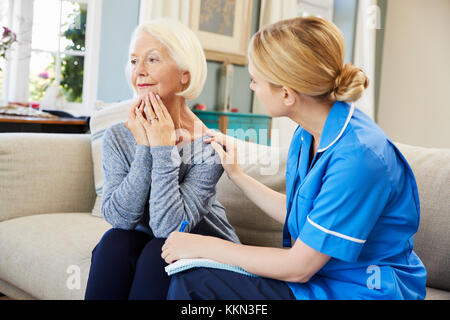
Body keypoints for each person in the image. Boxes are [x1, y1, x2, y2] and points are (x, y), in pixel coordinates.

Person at [162, 17, 427, 300]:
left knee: (194, 284)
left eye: (255, 80)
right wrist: (239, 176)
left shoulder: (360, 159)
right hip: (320, 282)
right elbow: (306, 218)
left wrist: (203, 246)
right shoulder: (307, 134)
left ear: (287, 94)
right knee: (190, 279)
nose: (252, 88)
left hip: (361, 291)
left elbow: (298, 267)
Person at [84, 18, 240, 300]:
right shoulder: (119, 137)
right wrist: (144, 145)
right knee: (115, 242)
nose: (139, 71)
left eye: (152, 59)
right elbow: (119, 218)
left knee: (158, 251)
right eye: (133, 61)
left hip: (207, 251)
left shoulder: (207, 146)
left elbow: (169, 228)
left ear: (185, 76)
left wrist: (162, 148)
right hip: (152, 244)